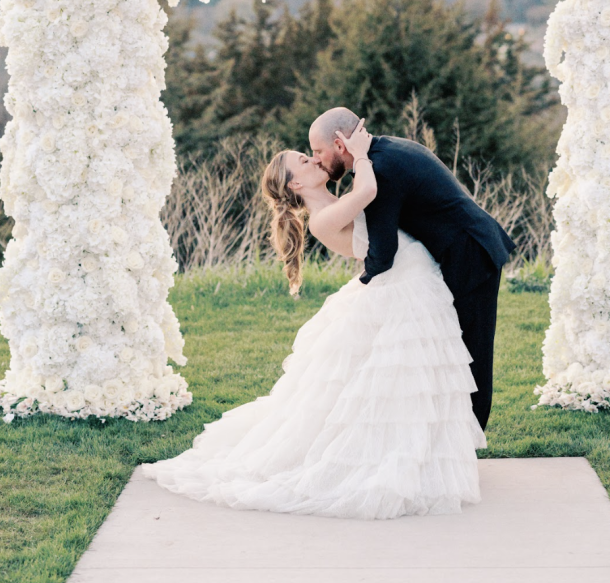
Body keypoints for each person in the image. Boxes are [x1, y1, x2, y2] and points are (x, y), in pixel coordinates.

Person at [140, 118, 486, 520]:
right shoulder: (323, 217)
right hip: (402, 288)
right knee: (401, 383)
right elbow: (370, 190)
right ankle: (392, 464)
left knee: (409, 384)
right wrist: (359, 156)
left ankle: (417, 458)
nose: (312, 159)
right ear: (295, 185)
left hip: (407, 284)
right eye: (303, 160)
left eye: (310, 153)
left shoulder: (329, 204)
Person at [308, 107, 516, 431]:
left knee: (470, 354)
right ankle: (455, 439)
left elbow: (382, 253)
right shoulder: (386, 148)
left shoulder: (381, 168)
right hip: (466, 249)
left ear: (339, 143)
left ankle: (468, 442)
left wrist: (360, 293)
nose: (317, 159)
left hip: (470, 255)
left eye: (318, 151)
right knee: (457, 351)